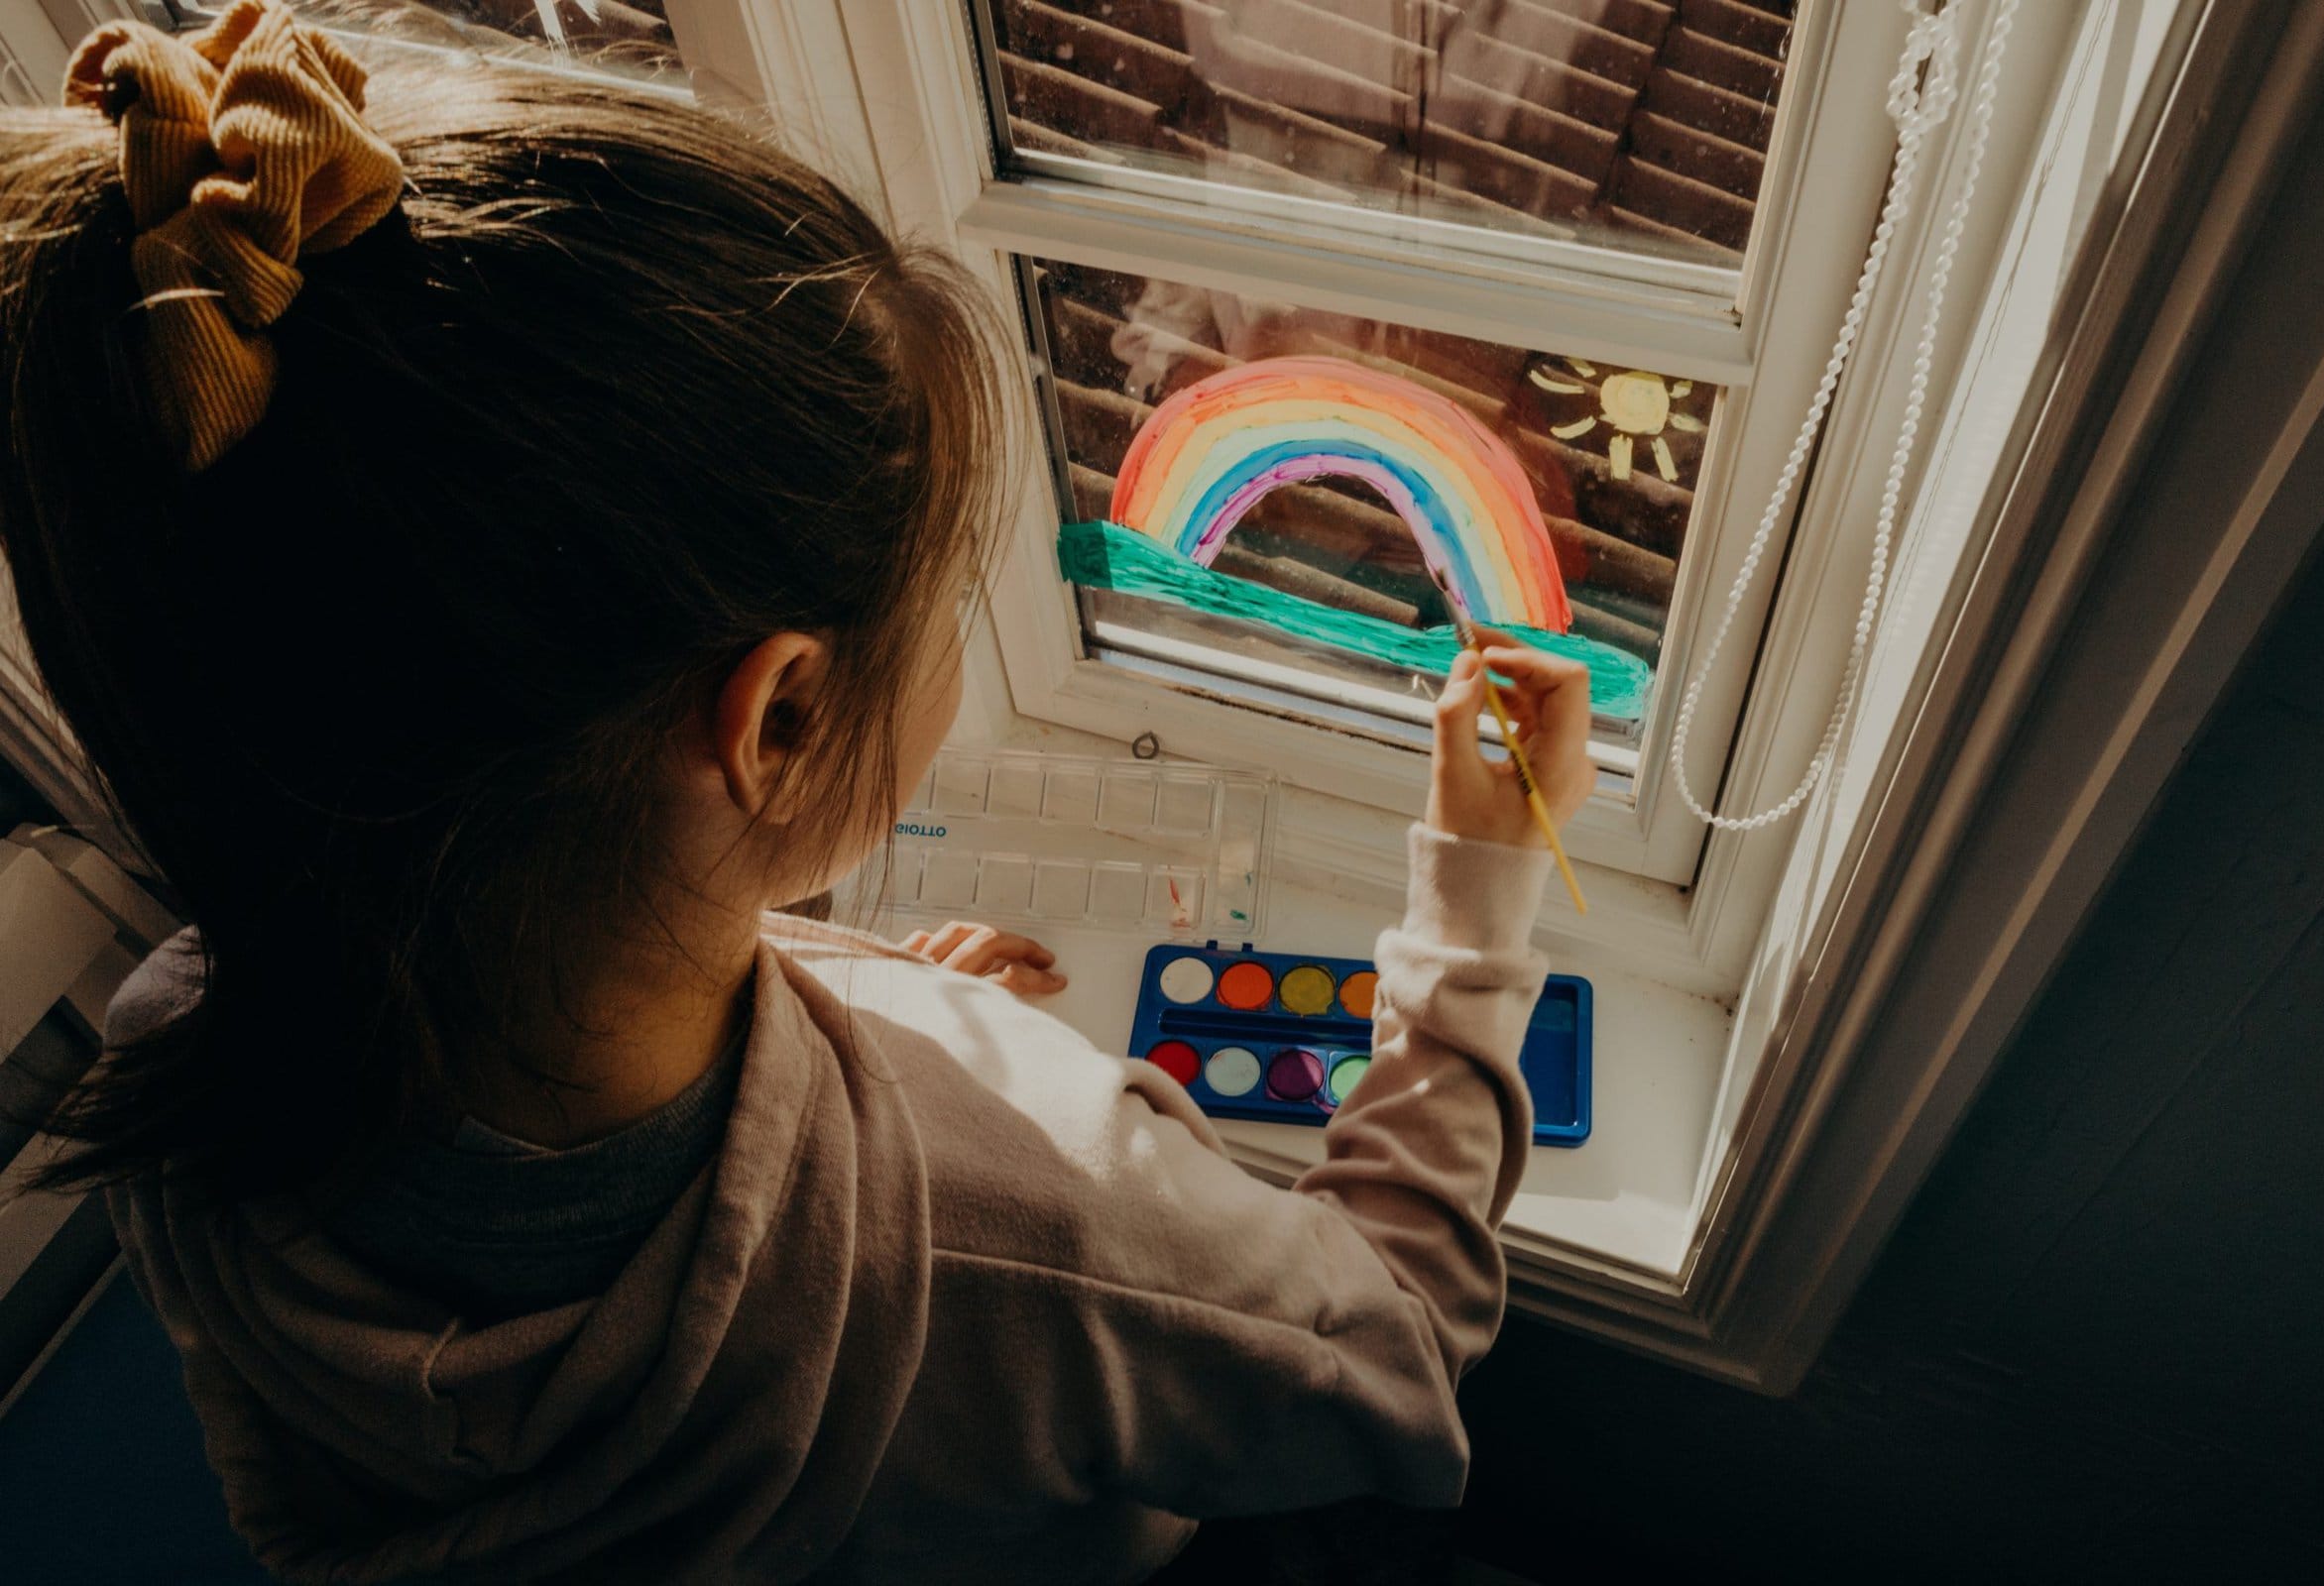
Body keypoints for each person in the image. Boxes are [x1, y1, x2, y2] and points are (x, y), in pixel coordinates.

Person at [0, 5, 1595, 1581]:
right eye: (942, 608)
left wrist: (867, 1001)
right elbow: (1394, 1351)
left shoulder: (171, 1051)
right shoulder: (1058, 1221)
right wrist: (1477, 894)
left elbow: (291, 1509)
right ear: (777, 722)